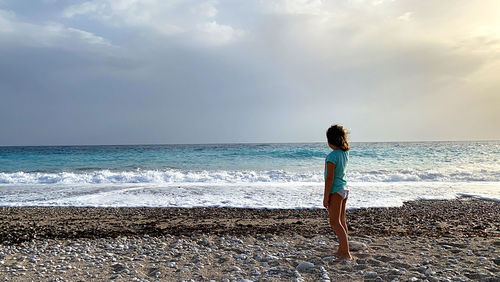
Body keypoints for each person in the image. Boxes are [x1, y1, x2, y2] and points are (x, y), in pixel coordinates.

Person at [323, 124, 352, 262]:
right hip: (344, 189)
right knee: (341, 221)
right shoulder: (344, 153)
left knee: (334, 222)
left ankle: (345, 252)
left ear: (330, 141)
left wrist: (325, 197)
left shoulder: (331, 156)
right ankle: (342, 249)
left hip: (335, 190)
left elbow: (329, 178)